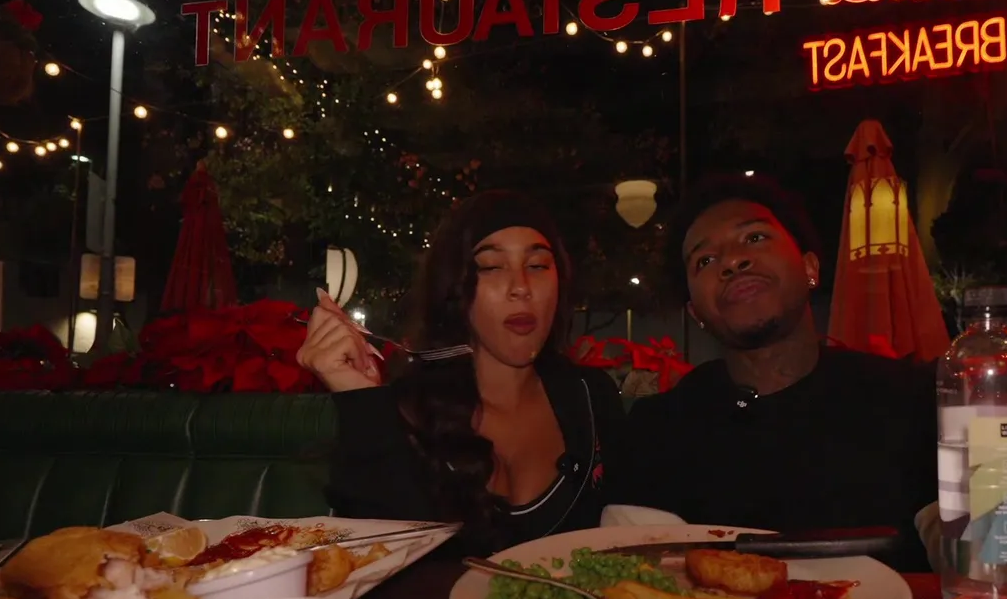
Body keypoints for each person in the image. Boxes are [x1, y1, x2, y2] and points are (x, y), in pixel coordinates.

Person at [607, 175, 938, 572]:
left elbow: (976, 553)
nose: (732, 261)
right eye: (705, 261)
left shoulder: (910, 401)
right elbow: (642, 577)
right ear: (696, 314)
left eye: (755, 238)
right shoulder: (657, 430)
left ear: (810, 267)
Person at [297, 190, 626, 551]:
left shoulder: (591, 399)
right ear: (453, 289)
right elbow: (377, 556)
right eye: (491, 267)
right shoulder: (404, 416)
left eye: (537, 266)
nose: (521, 287)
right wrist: (359, 397)